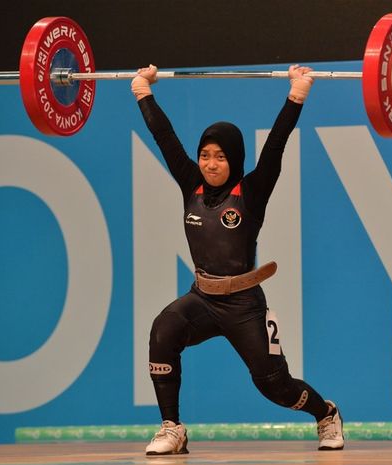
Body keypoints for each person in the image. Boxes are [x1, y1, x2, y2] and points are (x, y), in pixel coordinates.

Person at [131, 64, 344, 455]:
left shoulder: (253, 191)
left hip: (244, 306)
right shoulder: (189, 183)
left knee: (275, 387)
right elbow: (164, 137)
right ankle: (172, 428)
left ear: (235, 160)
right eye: (205, 156)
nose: (210, 164)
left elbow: (277, 144)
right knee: (163, 331)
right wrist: (142, 91)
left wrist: (297, 94)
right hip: (202, 299)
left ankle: (326, 414)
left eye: (220, 157)